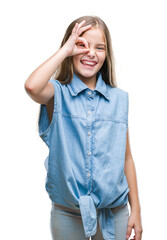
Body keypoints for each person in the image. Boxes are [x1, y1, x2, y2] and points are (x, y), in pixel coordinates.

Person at [24, 16, 143, 240]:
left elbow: (126, 158)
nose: (91, 53)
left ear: (107, 55)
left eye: (100, 48)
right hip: (68, 212)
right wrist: (65, 50)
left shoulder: (119, 99)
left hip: (114, 212)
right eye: (82, 45)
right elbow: (32, 86)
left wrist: (135, 209)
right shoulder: (57, 93)